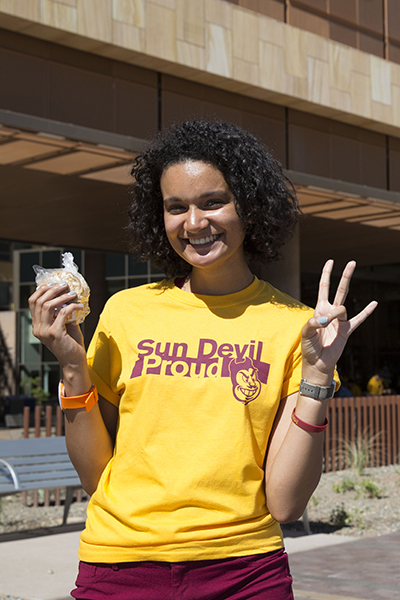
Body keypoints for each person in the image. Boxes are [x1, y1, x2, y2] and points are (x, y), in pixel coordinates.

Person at [29, 119, 377, 600]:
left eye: (213, 202)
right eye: (177, 207)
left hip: (246, 573)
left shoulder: (295, 329)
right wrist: (72, 366)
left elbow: (286, 503)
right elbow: (96, 476)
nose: (194, 223)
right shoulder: (126, 312)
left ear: (249, 207)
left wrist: (318, 374)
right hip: (121, 567)